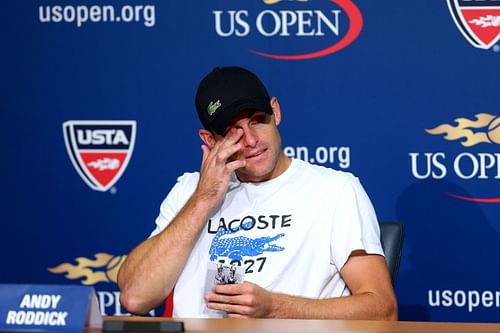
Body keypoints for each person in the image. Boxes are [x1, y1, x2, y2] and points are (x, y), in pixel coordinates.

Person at [117, 66, 398, 320]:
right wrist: (204, 200)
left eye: (257, 120)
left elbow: (381, 309)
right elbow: (136, 297)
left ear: (275, 111)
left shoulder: (334, 190)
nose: (251, 141)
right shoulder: (189, 191)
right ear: (209, 140)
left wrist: (276, 308)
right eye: (233, 133)